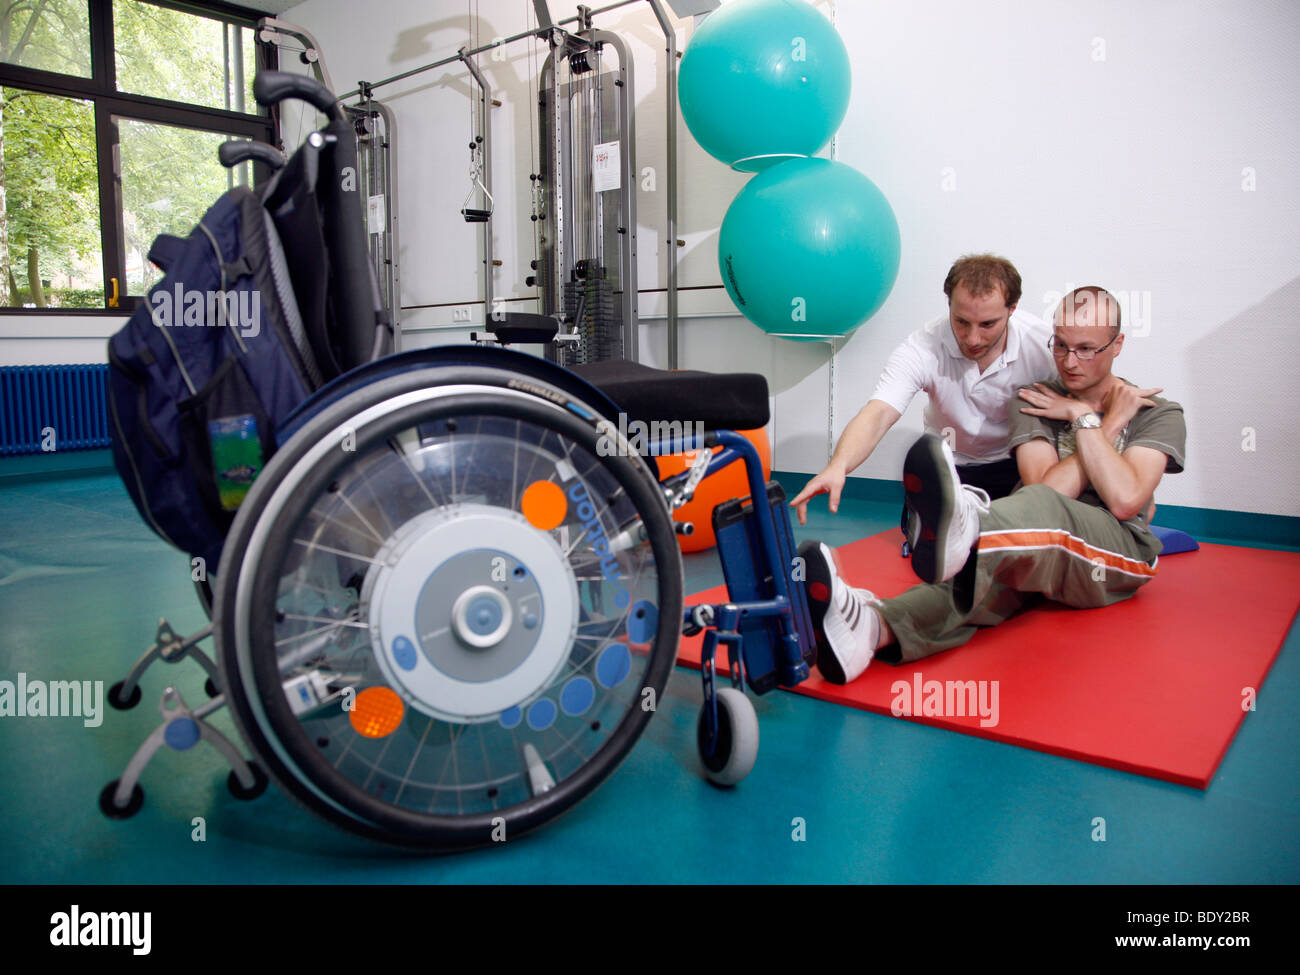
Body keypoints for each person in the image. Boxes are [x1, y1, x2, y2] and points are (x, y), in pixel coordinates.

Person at [799, 286, 1186, 683]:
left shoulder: (1156, 412)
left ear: (1117, 343)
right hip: (1041, 537)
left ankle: (973, 528)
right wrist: (1088, 418)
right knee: (971, 582)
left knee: (1025, 524)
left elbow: (1124, 501)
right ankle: (869, 629)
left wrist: (1089, 420)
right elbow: (1045, 490)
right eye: (1061, 345)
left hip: (1118, 552)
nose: (1069, 362)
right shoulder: (1034, 399)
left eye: (1086, 348)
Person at [790, 254, 1056, 527]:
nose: (973, 338)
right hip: (951, 466)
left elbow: (1095, 389)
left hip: (1014, 465)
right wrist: (838, 465)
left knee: (1008, 548)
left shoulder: (1042, 344)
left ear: (1012, 309)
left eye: (988, 324)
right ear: (949, 305)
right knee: (939, 556)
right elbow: (879, 412)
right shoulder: (923, 347)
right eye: (962, 321)